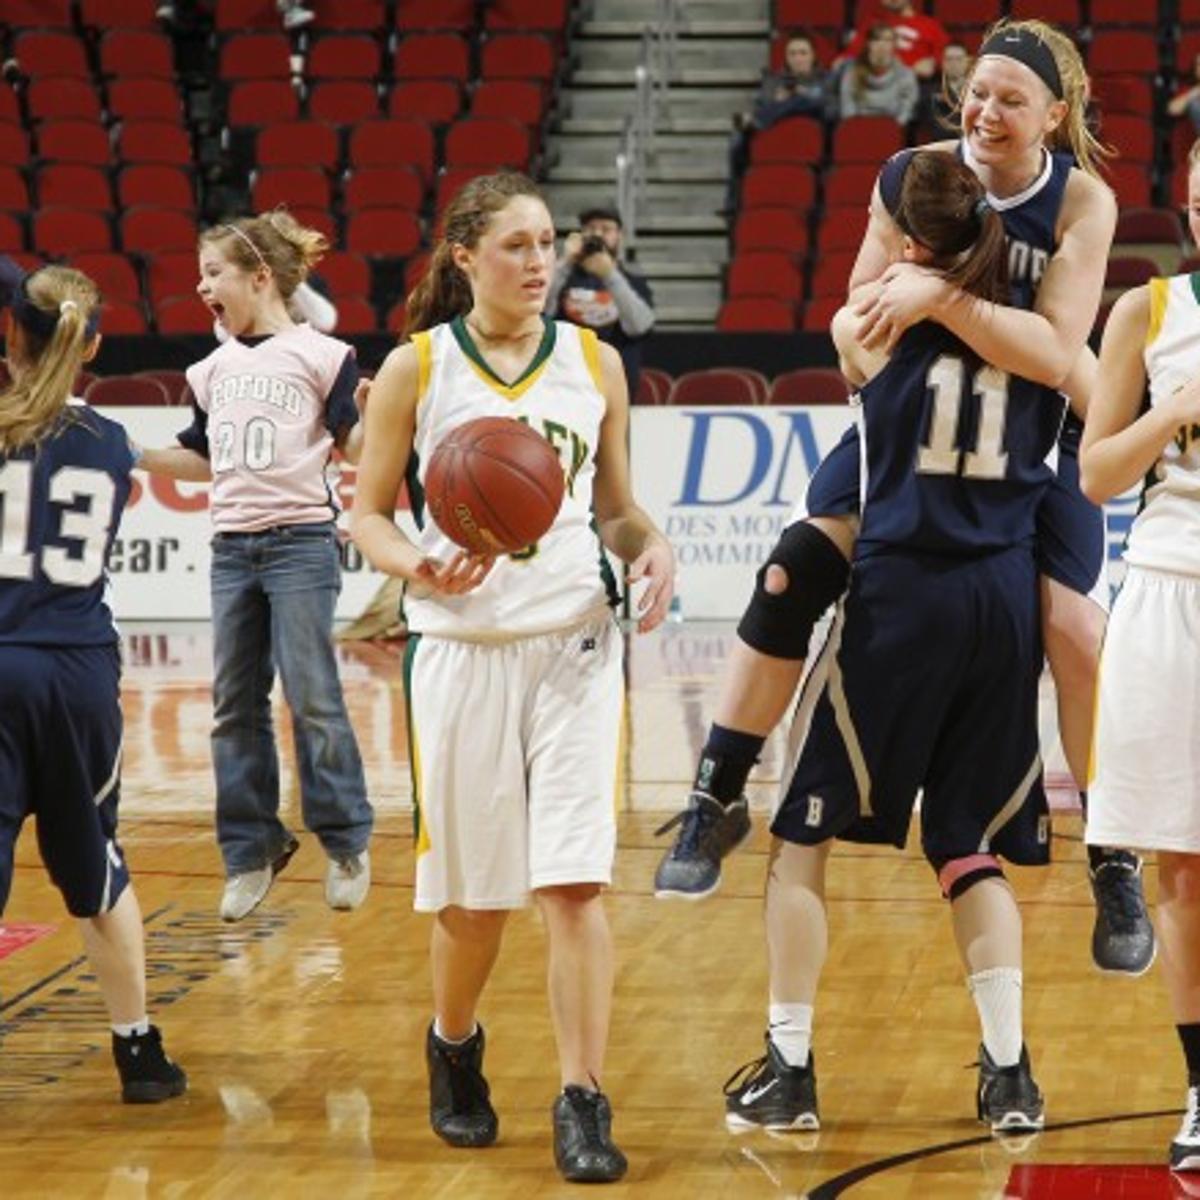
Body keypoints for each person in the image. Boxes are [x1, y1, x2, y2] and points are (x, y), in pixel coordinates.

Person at [655, 17, 1155, 979]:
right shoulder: (912, 174)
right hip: (917, 426)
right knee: (792, 564)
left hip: (1033, 442)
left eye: (1012, 98)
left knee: (1076, 630)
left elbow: (1055, 356)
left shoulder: (1081, 202)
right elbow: (850, 323)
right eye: (976, 89)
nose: (985, 109)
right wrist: (879, 326)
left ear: (1054, 116)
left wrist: (935, 300)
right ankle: (716, 790)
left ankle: (1114, 848)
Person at [723, 146, 1055, 1136]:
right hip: (1003, 599)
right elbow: (1066, 363)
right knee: (966, 844)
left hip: (905, 591)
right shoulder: (1040, 339)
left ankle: (789, 1069)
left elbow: (856, 322)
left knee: (800, 839)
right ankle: (1011, 1076)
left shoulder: (871, 332)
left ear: (909, 242)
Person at [350, 170, 674, 1183]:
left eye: (546, 245)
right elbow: (365, 513)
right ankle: (455, 1044)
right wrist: (416, 563)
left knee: (574, 884)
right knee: (475, 901)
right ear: (465, 258)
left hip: (575, 638)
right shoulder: (416, 368)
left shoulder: (595, 361)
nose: (540, 264)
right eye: (517, 247)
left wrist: (651, 544)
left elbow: (614, 508)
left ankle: (582, 1095)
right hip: (459, 649)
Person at [134, 210, 375, 923]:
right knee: (234, 706)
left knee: (313, 695)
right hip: (231, 550)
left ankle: (345, 840)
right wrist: (135, 454)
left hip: (302, 541)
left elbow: (355, 447)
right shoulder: (208, 370)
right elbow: (202, 460)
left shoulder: (324, 355)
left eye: (213, 273)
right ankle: (250, 849)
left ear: (259, 278)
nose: (201, 285)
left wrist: (387, 415)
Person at [0, 258, 187, 1104]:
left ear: (12, 336)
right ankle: (137, 1051)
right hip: (75, 671)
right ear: (95, 344)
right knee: (93, 866)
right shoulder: (112, 443)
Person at [1080, 137, 1200, 1176]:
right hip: (1171, 591)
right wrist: (1172, 410)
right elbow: (1096, 477)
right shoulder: (1148, 313)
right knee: (1180, 856)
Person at [545, 202, 655, 405]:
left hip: (616, 392)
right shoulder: (563, 278)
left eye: (606, 229)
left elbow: (640, 326)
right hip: (565, 387)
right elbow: (541, 312)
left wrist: (610, 275)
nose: (598, 235)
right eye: (590, 229)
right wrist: (565, 261)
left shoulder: (632, 281)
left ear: (619, 235)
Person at [726, 33, 830, 213]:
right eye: (793, 54)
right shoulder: (773, 81)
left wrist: (794, 96)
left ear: (813, 56)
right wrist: (779, 99)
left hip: (815, 127)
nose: (798, 58)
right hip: (777, 132)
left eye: (803, 53)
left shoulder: (825, 79)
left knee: (804, 100)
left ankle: (756, 121)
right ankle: (733, 199)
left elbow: (827, 104)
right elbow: (762, 102)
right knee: (736, 138)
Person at [837, 25, 919, 125]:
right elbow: (847, 111)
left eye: (887, 40)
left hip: (892, 132)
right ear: (868, 44)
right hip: (858, 130)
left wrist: (890, 131)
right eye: (876, 40)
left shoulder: (906, 75)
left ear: (894, 45)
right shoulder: (852, 72)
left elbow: (906, 112)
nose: (882, 45)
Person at [1168, 54, 1200, 136]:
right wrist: (1195, 92)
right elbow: (1172, 109)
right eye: (1198, 65)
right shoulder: (1190, 90)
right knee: (1194, 103)